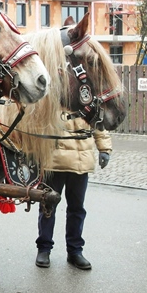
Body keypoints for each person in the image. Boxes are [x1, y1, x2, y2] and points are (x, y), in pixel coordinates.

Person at [35, 116, 111, 270]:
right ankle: (44, 248)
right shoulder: (54, 96)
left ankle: (75, 250)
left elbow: (99, 123)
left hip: (81, 163)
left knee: (77, 209)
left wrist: (104, 148)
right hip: (53, 163)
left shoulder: (87, 98)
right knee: (47, 207)